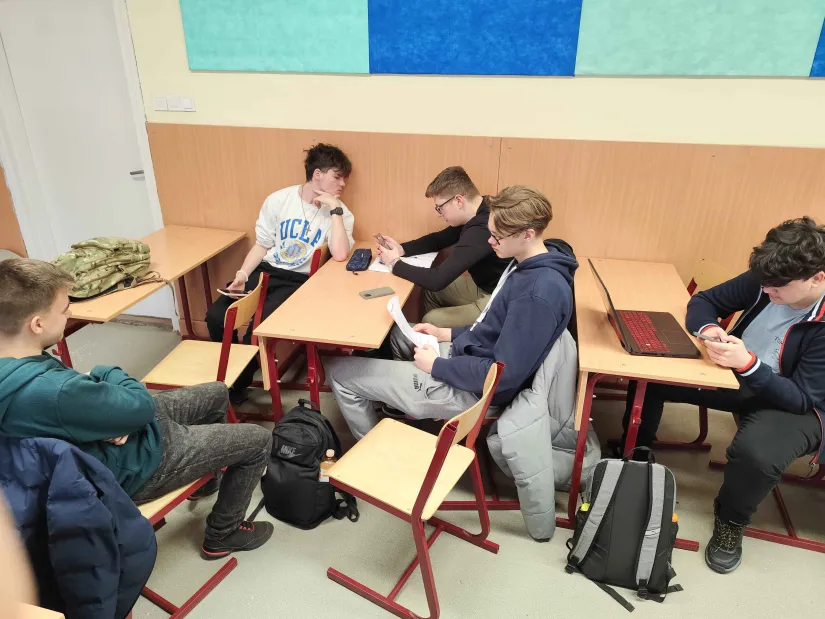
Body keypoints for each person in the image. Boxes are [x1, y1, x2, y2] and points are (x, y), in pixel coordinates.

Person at [0, 258, 274, 559]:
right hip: (134, 467)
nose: (70, 314)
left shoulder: (15, 363)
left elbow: (73, 409)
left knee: (217, 392)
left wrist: (108, 421)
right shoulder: (54, 391)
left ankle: (208, 478)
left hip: (107, 445)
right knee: (258, 440)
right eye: (65, 309)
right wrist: (103, 371)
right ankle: (223, 533)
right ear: (37, 324)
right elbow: (140, 406)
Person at [621, 217, 825, 574]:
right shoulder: (770, 276)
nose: (768, 291)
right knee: (652, 373)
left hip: (801, 404)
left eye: (778, 287)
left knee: (756, 454)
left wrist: (747, 364)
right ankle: (635, 457)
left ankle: (731, 520)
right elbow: (705, 301)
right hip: (742, 373)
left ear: (817, 278)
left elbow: (801, 398)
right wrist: (711, 329)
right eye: (764, 283)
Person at [327, 185, 577, 440]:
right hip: (469, 357)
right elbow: (495, 329)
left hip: (474, 390)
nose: (490, 242)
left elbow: (502, 376)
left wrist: (438, 367)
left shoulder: (536, 294)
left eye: (497, 236)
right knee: (397, 335)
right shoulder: (527, 263)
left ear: (527, 234)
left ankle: (374, 451)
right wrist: (446, 333)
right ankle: (405, 402)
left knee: (339, 373)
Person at [206, 143, 355, 400]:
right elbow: (262, 245)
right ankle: (233, 373)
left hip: (299, 281)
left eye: (345, 179)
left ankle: (235, 386)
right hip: (267, 270)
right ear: (317, 174)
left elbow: (340, 254)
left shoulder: (341, 213)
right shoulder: (279, 200)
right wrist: (242, 275)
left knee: (257, 331)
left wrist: (335, 209)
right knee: (216, 317)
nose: (343, 184)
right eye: (337, 176)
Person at [376, 166, 510, 328]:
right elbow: (440, 239)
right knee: (431, 292)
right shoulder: (481, 207)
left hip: (500, 299)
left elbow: (437, 280)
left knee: (432, 319)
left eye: (440, 207)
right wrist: (402, 249)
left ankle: (437, 335)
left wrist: (394, 263)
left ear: (458, 201)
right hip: (487, 285)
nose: (438, 214)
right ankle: (437, 336)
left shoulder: (481, 229)